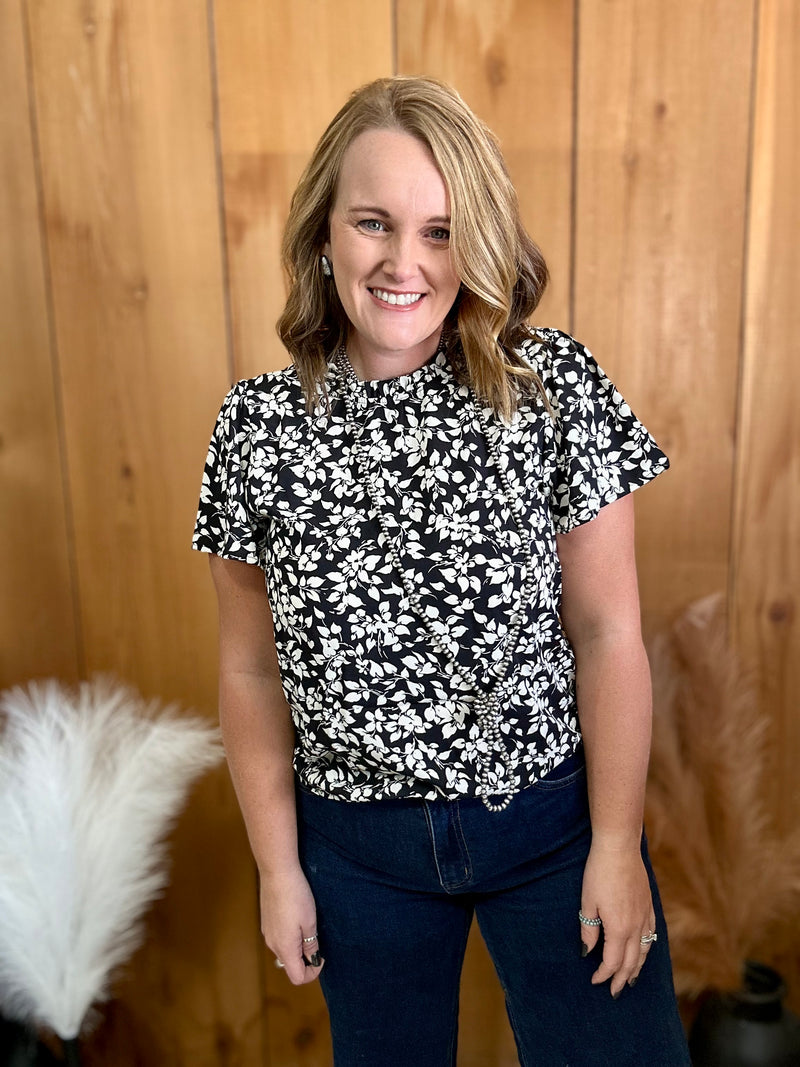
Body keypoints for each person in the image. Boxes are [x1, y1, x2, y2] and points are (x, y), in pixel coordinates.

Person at [193, 76, 690, 1066]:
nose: (402, 262)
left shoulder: (549, 392)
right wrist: (276, 867)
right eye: (373, 222)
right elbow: (251, 669)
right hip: (357, 852)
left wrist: (612, 842)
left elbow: (606, 633)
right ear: (322, 233)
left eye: (437, 230)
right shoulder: (254, 428)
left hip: (552, 829)